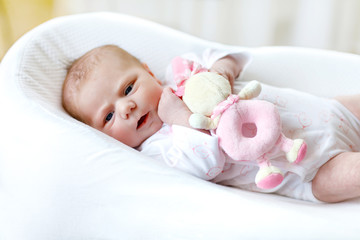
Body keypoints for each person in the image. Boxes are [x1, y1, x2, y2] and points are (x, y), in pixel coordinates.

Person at [62, 44, 360, 203]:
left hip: (327, 110)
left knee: (351, 103)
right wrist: (178, 117)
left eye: (128, 88)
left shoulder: (183, 74)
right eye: (108, 117)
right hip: (308, 170)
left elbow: (227, 54)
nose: (126, 107)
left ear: (148, 72)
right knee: (346, 174)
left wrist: (220, 71)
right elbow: (207, 162)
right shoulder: (157, 151)